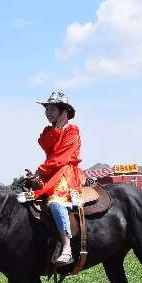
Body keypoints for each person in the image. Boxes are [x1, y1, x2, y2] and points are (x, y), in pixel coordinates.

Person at [26, 91, 85, 266]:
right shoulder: (48, 131)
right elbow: (45, 144)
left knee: (55, 201)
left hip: (66, 172)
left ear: (63, 111)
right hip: (50, 171)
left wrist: (40, 170)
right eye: (47, 109)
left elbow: (61, 156)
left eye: (52, 109)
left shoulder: (73, 131)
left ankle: (67, 247)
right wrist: (57, 128)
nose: (48, 112)